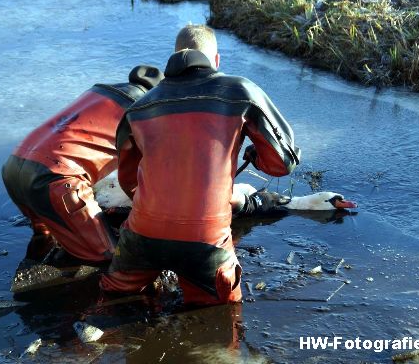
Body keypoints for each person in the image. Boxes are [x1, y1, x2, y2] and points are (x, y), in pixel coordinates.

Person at [100, 25, 300, 305]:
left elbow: (128, 180)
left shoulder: (139, 107)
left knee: (113, 302)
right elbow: (282, 163)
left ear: (172, 56)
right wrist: (255, 153)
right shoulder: (240, 91)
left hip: (142, 235)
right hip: (205, 242)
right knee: (221, 320)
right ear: (216, 60)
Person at [1, 65, 164, 263]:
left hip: (13, 166)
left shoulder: (98, 92)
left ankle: (37, 258)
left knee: (46, 234)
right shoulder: (142, 112)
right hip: (55, 179)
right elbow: (135, 177)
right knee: (112, 258)